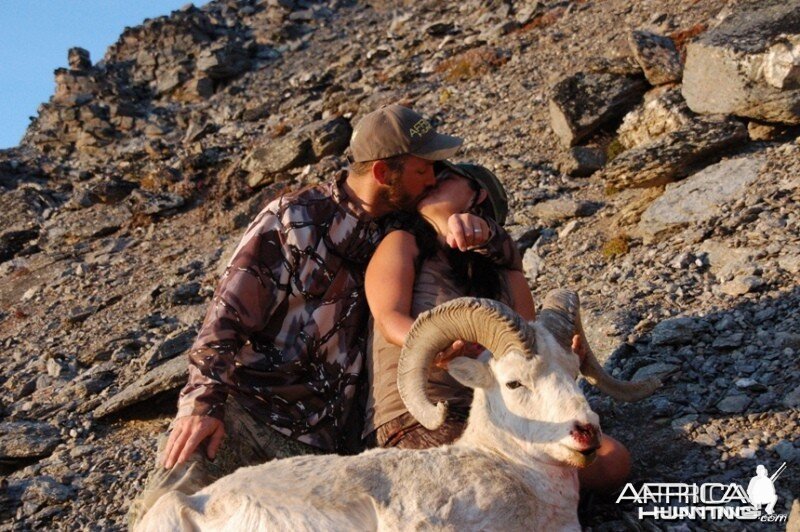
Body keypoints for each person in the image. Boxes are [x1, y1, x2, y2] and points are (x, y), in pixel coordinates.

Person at [127, 104, 521, 528]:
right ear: (385, 174)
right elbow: (226, 316)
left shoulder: (399, 228)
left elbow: (466, 208)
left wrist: (447, 215)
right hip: (252, 413)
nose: (433, 178)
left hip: (326, 448)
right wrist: (202, 405)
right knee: (171, 510)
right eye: (423, 169)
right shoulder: (292, 219)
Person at [363, 161, 631, 493]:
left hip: (497, 413)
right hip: (419, 413)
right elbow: (389, 319)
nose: (431, 179)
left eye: (446, 178)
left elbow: (528, 354)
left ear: (478, 195)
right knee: (490, 486)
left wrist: (562, 361)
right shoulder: (403, 243)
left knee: (611, 459)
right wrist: (435, 348)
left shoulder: (504, 269)